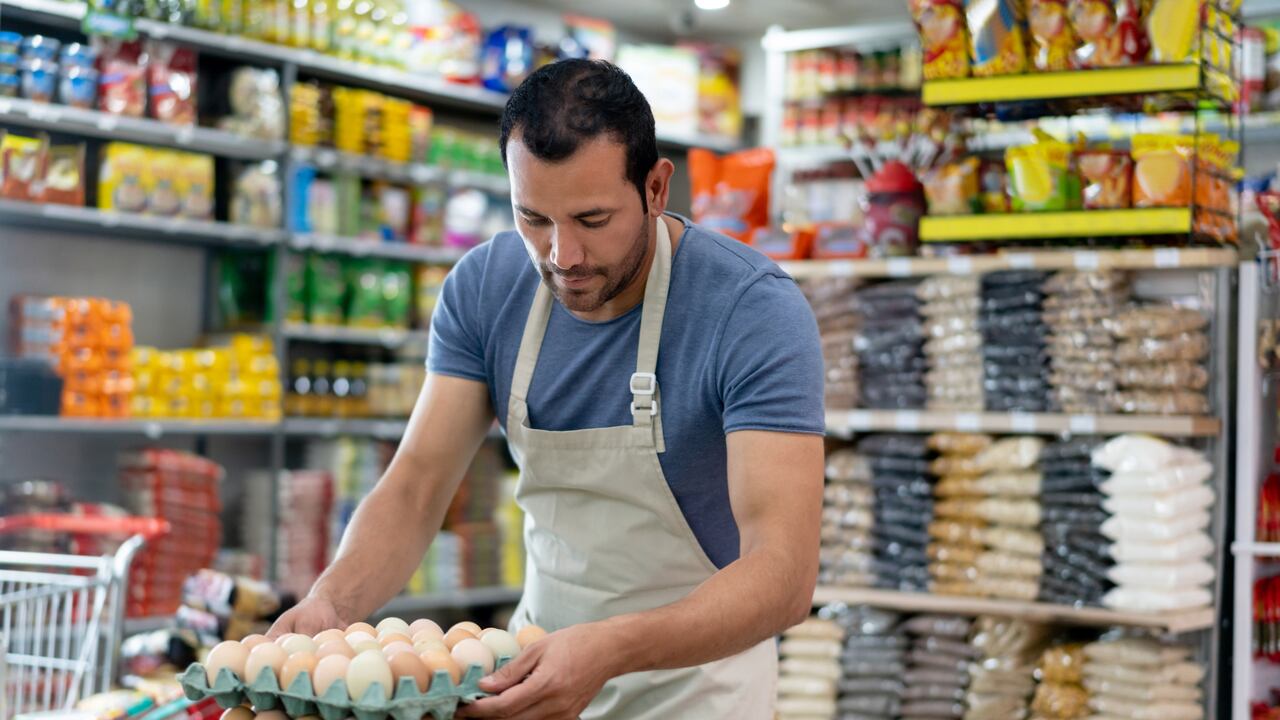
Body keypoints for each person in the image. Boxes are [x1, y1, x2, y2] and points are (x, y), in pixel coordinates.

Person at [269, 58, 825, 719]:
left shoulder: (749, 310)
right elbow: (417, 487)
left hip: (697, 691)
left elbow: (783, 574)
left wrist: (608, 648)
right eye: (532, 217)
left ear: (655, 186)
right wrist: (333, 603)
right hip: (534, 678)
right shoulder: (485, 289)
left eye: (592, 219)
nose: (563, 255)